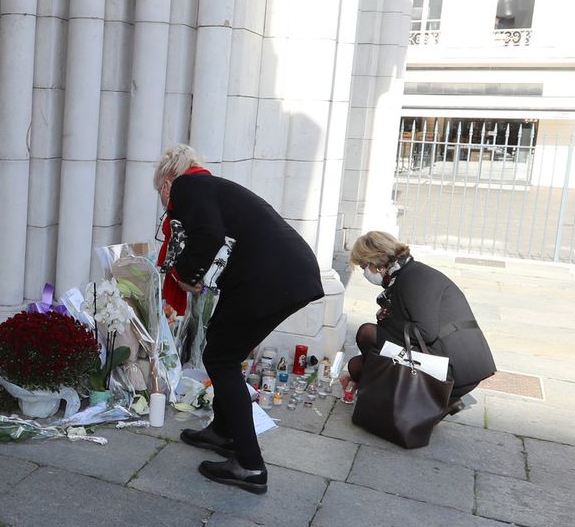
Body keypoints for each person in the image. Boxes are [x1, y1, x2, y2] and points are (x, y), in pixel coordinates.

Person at [156, 144, 323, 493]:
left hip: (273, 280)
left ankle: (249, 465)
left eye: (160, 191)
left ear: (168, 181)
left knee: (220, 358)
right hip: (282, 276)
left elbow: (209, 236)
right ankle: (223, 431)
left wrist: (186, 273)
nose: (163, 202)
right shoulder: (211, 188)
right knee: (220, 345)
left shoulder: (189, 186)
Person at [344, 231, 494, 412]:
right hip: (442, 352)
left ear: (375, 262)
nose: (365, 273)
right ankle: (403, 398)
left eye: (363, 267)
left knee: (367, 333)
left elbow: (425, 332)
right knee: (357, 366)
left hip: (455, 368)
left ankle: (434, 399)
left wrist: (387, 320)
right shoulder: (405, 275)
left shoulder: (414, 278)